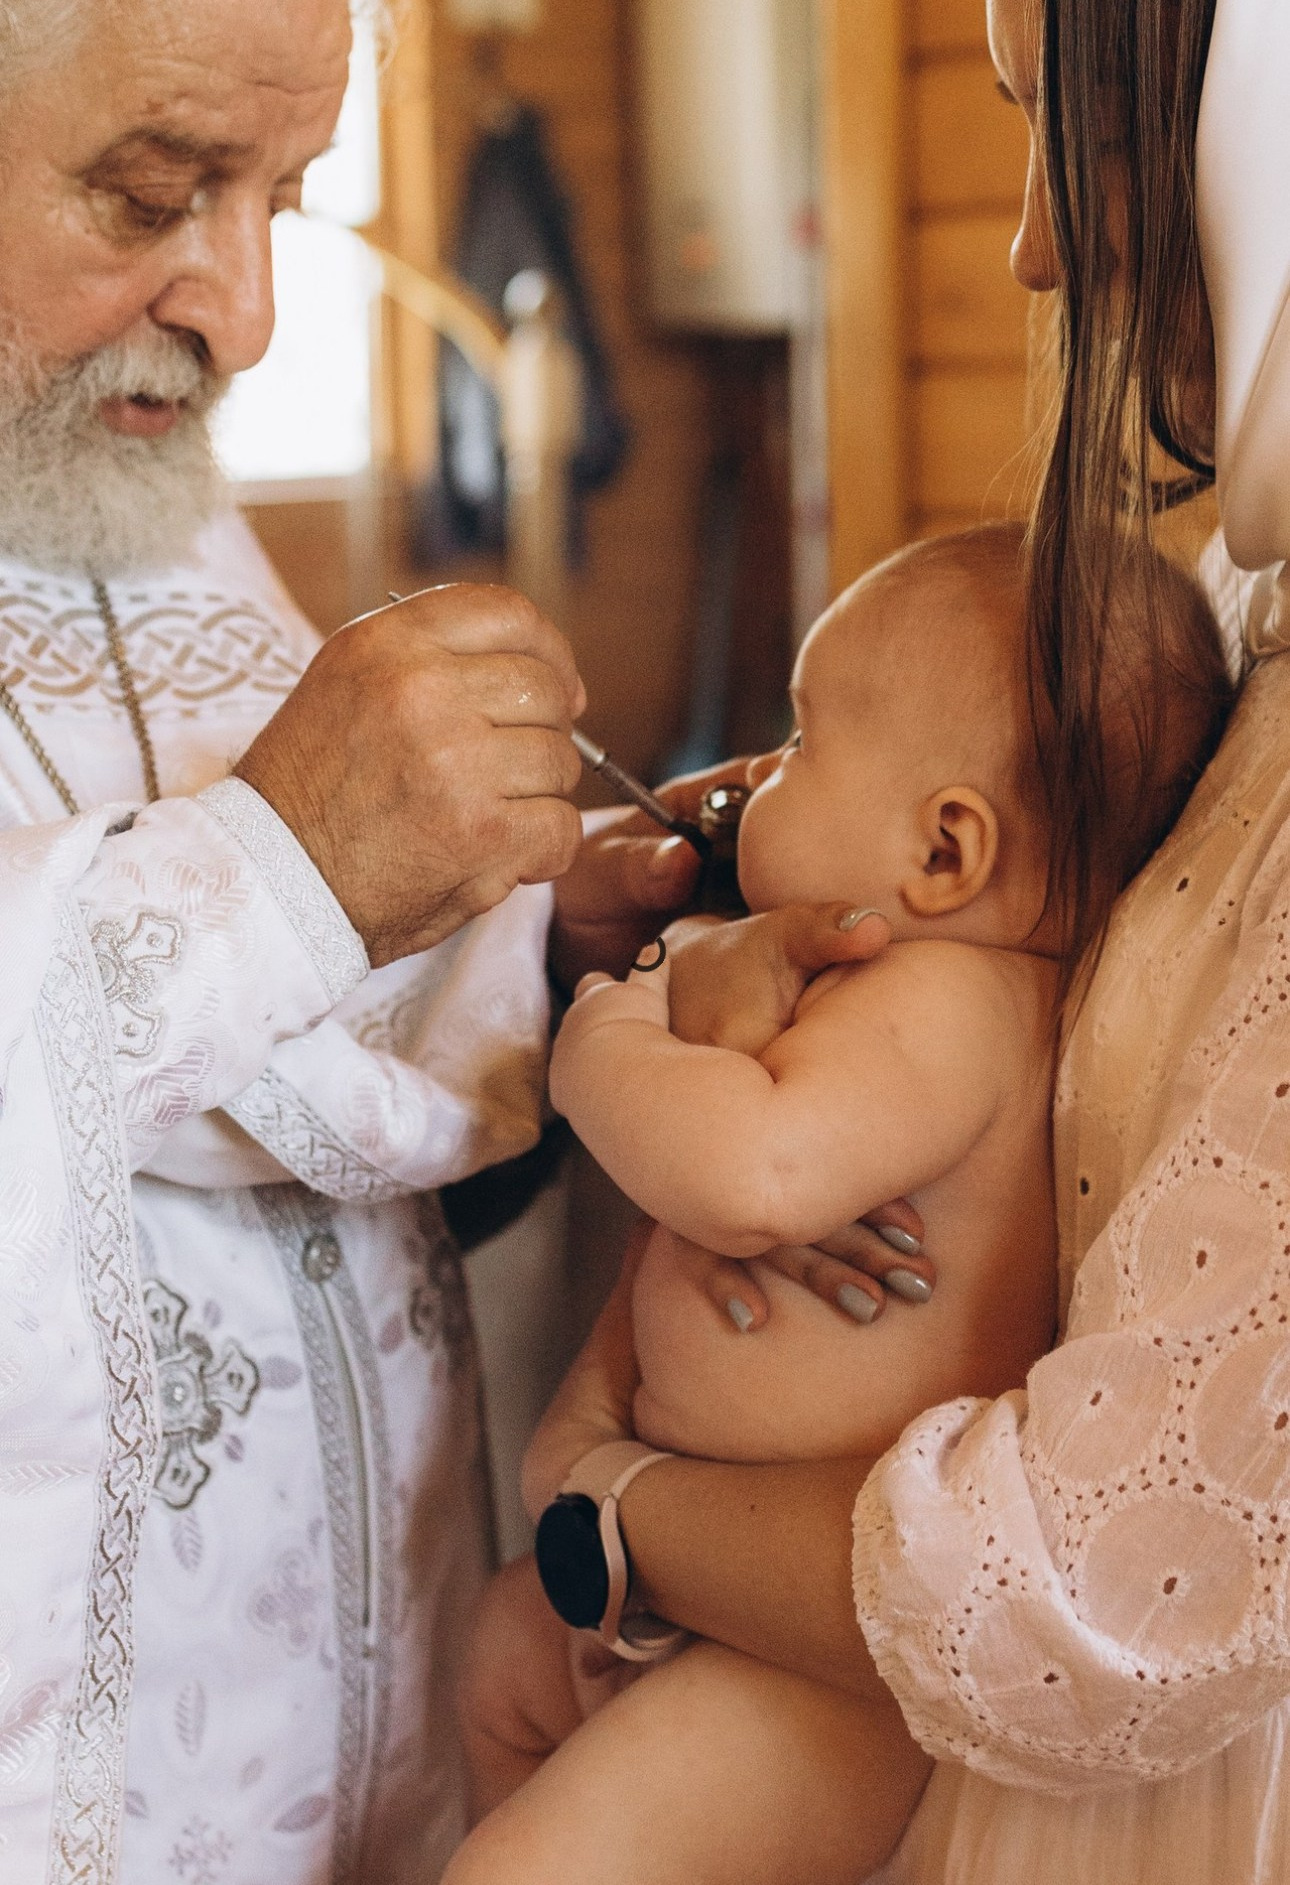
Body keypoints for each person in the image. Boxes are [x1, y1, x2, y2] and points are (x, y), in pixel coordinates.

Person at [457, 0, 1290, 1879]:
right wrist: (730, 976)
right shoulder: (1236, 596)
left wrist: (609, 1499)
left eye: (1069, 132)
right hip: (814, 1611)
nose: (1028, 251)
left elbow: (1099, 1589)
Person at [0, 1, 770, 1880]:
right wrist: (285, 863)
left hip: (370, 1727)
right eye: (149, 195)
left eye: (281, 200)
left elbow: (263, 1039)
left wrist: (531, 944)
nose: (247, 315)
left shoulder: (109, 474)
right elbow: (243, 896)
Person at [444, 522, 1231, 1883]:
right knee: (497, 1674)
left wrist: (608, 1026)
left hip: (806, 1666)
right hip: (701, 1590)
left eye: (802, 739)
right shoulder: (885, 983)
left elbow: (747, 1178)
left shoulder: (952, 1005)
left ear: (945, 848)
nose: (759, 773)